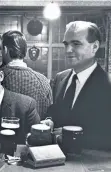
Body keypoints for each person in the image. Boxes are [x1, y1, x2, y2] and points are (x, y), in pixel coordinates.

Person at [43, 21, 111, 150]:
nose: (68, 50)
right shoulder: (60, 78)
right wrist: (50, 120)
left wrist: (70, 136)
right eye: (66, 44)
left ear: (95, 47)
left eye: (76, 44)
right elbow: (56, 111)